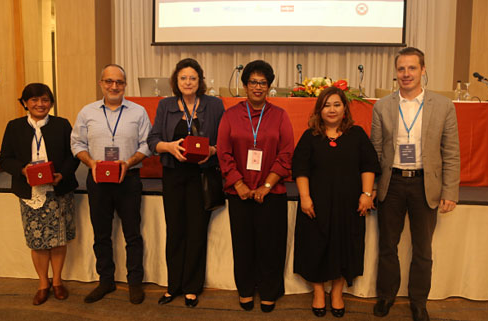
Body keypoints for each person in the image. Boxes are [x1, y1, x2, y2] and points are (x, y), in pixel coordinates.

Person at [370, 47, 459, 321]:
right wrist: (371, 187)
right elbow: (374, 151)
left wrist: (449, 190)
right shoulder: (382, 106)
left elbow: (451, 151)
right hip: (391, 183)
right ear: (395, 73)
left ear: (423, 70)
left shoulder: (444, 106)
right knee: (387, 246)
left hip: (425, 185)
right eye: (401, 69)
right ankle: (386, 295)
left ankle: (419, 301)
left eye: (412, 68)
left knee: (423, 249)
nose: (406, 74)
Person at [292, 87, 381, 318]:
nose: (332, 110)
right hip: (315, 206)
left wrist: (366, 194)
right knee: (315, 247)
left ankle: (337, 293)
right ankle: (319, 292)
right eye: (326, 105)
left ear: (344, 108)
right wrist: (305, 197)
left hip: (349, 206)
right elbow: (300, 169)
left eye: (336, 105)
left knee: (345, 249)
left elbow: (369, 166)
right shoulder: (310, 136)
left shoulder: (357, 135)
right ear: (319, 110)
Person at [216, 60, 294, 313]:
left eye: (263, 83)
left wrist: (268, 185)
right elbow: (224, 153)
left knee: (271, 245)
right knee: (244, 244)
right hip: (239, 193)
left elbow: (286, 154)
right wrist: (238, 183)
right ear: (245, 85)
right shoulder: (230, 115)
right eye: (253, 82)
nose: (258, 87)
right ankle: (246, 289)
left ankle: (270, 291)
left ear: (269, 86)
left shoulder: (280, 115)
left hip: (272, 193)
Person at [71, 64, 152, 304]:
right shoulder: (87, 112)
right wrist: (91, 163)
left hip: (129, 179)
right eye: (109, 81)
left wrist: (129, 162)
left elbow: (147, 144)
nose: (114, 86)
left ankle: (134, 282)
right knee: (101, 234)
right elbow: (77, 144)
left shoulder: (138, 112)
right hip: (98, 180)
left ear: (125, 85)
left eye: (119, 82)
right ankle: (105, 281)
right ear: (101, 84)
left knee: (132, 234)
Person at [147, 58, 224, 307]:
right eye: (183, 78)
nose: (188, 82)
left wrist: (212, 150)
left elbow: (225, 140)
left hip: (201, 176)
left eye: (192, 78)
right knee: (175, 231)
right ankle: (173, 286)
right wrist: (169, 147)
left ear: (199, 81)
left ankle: (192, 287)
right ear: (176, 81)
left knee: (197, 232)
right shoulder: (166, 105)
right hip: (174, 175)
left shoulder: (214, 105)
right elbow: (153, 140)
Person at [0, 83, 80, 305]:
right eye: (34, 100)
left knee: (58, 239)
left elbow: (74, 155)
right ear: (25, 103)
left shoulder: (62, 125)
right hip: (30, 193)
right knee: (37, 241)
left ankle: (58, 282)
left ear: (51, 103)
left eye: (44, 100)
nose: (40, 104)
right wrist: (23, 170)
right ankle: (43, 283)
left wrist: (62, 175)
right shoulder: (14, 127)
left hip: (58, 191)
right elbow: (4, 159)